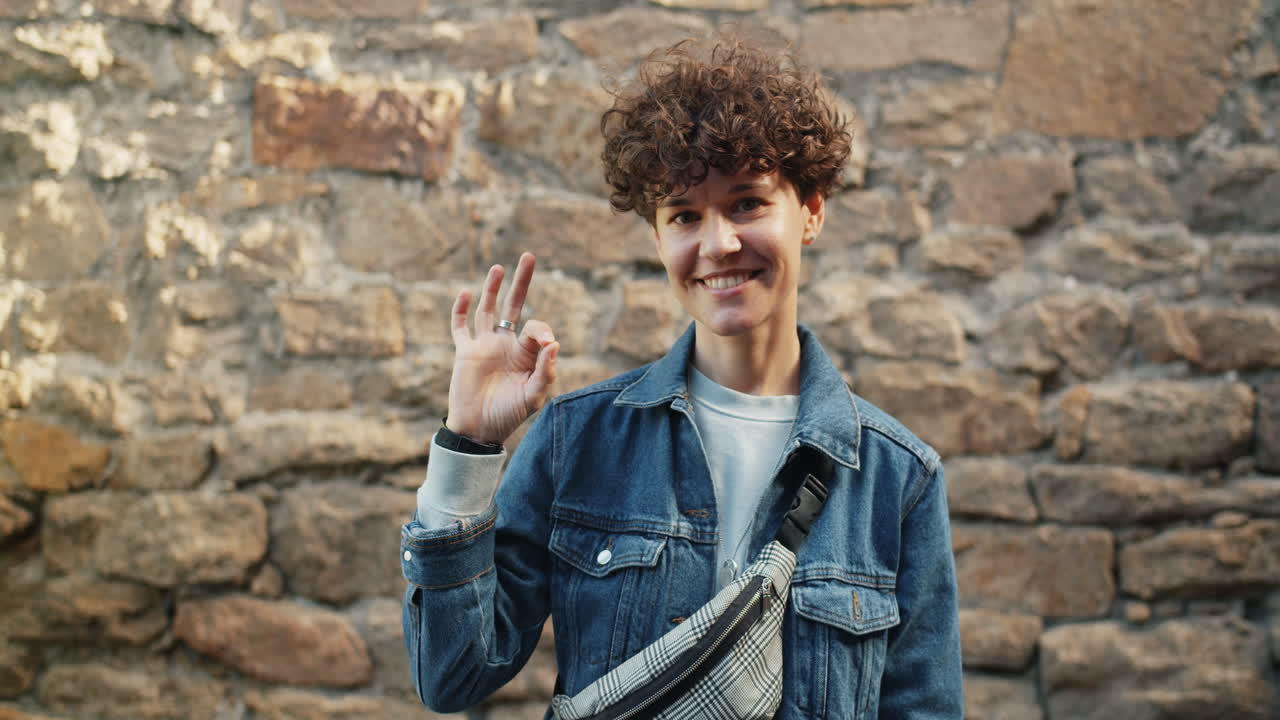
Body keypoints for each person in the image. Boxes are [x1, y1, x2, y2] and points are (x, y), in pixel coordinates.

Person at [401, 39, 963, 719]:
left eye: (748, 203)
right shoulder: (576, 439)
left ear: (811, 211)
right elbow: (451, 677)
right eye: (685, 216)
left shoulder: (896, 478)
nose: (718, 243)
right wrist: (467, 445)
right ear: (657, 236)